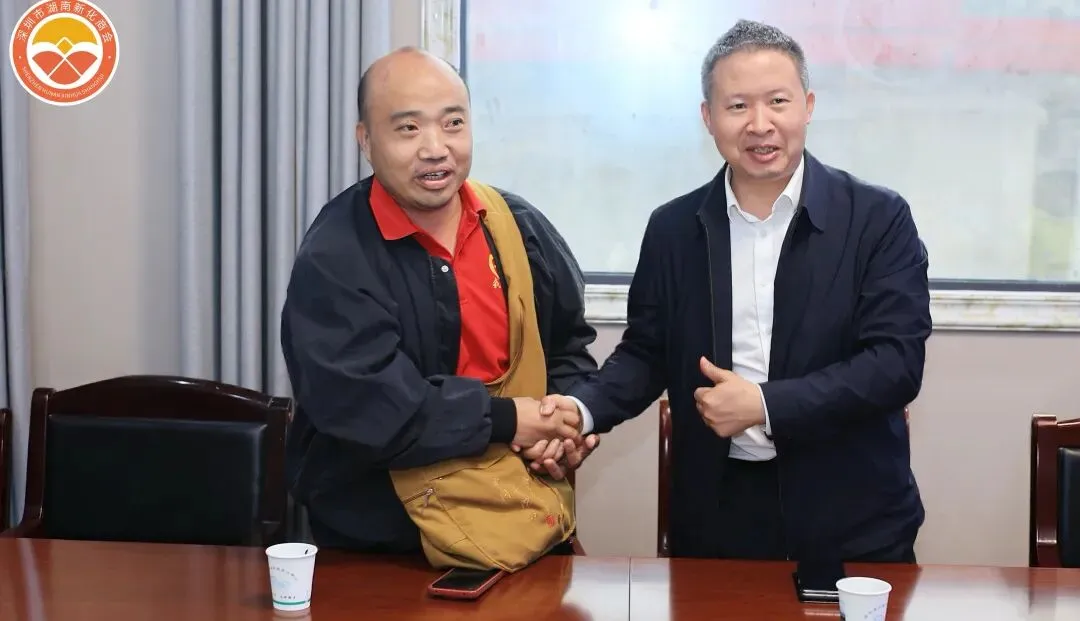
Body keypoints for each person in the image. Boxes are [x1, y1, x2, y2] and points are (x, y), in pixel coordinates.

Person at [537, 19, 931, 562]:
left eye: (777, 101)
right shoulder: (673, 229)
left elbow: (895, 364)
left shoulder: (877, 219)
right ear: (708, 117)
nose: (760, 124)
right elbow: (647, 354)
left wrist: (765, 404)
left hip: (853, 513)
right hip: (719, 518)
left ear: (808, 106)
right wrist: (578, 411)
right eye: (738, 106)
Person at [279, 46, 598, 553]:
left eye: (453, 123)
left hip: (516, 511)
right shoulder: (336, 255)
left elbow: (567, 345)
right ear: (366, 141)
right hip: (384, 539)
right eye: (408, 128)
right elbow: (369, 405)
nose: (435, 148)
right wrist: (512, 421)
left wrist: (563, 423)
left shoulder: (517, 227)